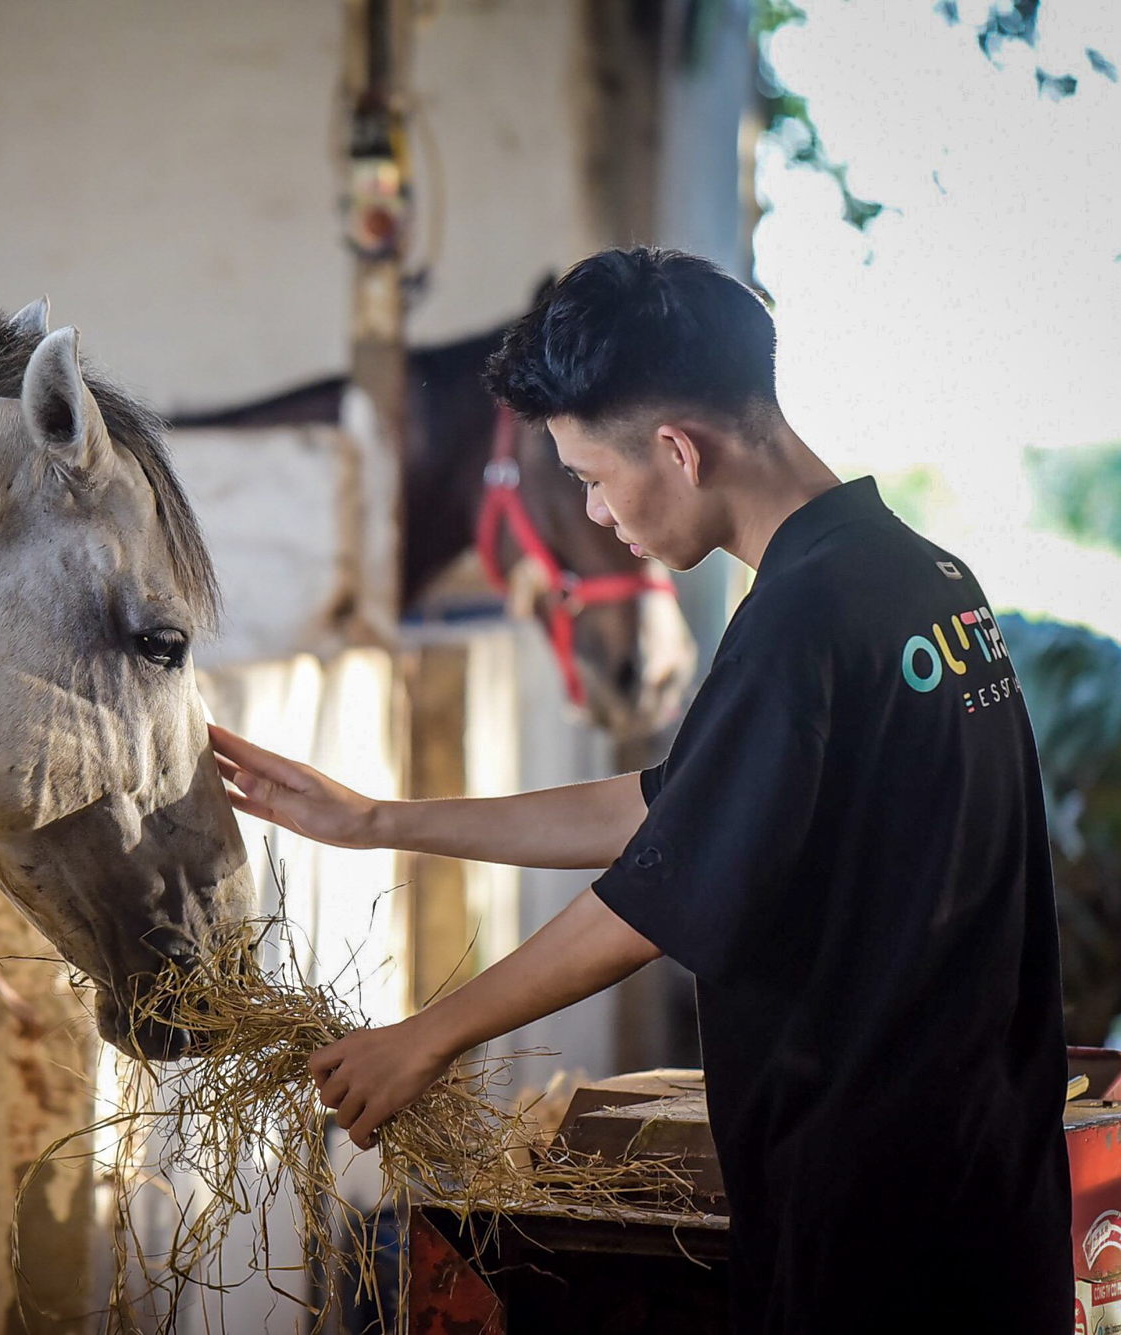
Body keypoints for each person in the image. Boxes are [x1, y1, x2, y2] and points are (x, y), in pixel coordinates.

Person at [209, 247, 1073, 1331]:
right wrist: (376, 821)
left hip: (871, 1210)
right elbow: (672, 808)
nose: (599, 512)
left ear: (675, 448)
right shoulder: (921, 578)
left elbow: (652, 897)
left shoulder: (797, 624)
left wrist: (426, 1034)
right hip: (989, 1184)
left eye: (588, 477)